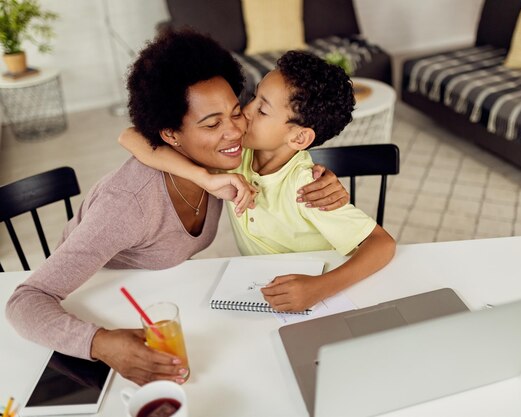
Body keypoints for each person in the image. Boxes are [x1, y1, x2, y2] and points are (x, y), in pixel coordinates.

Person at [5, 30, 350, 386]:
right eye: (212, 123)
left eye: (236, 112)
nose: (236, 132)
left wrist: (323, 179)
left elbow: (279, 151)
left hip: (163, 294)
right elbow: (24, 302)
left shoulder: (223, 158)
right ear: (170, 134)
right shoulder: (127, 205)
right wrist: (101, 343)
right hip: (101, 309)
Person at [120, 50, 397, 313]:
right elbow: (130, 136)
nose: (246, 110)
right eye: (253, 97)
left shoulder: (308, 188)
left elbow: (382, 244)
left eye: (262, 110)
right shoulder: (235, 154)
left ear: (299, 138)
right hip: (263, 287)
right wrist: (202, 177)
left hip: (315, 295)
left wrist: (319, 288)